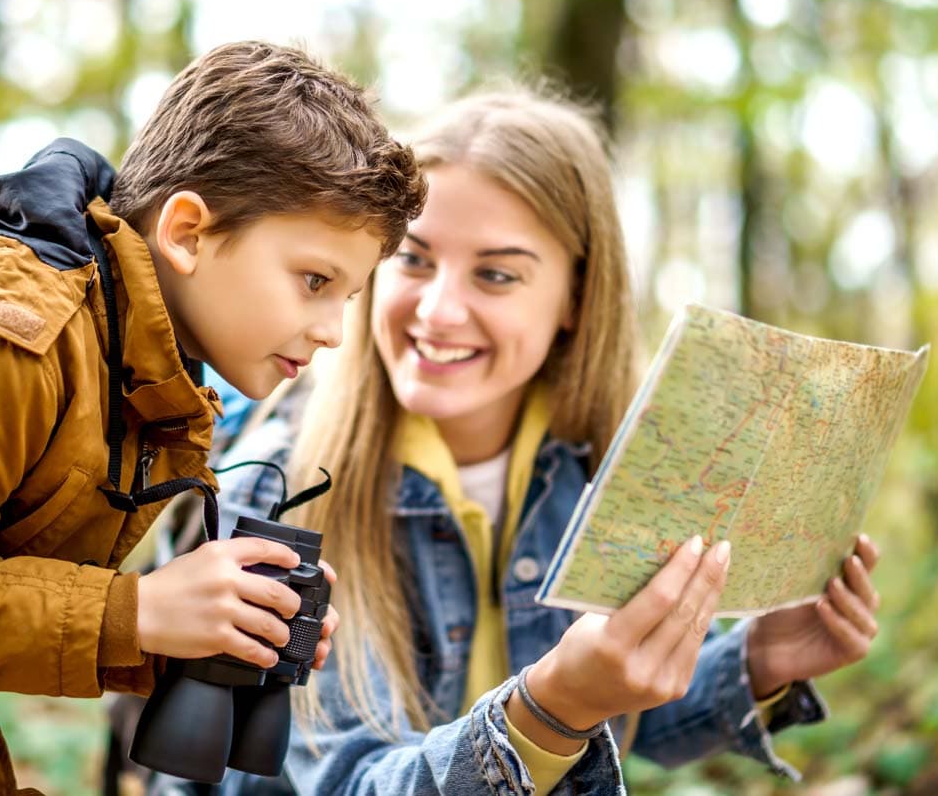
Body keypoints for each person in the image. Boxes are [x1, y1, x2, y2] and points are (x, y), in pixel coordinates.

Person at [197, 85, 882, 795]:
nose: (439, 310)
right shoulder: (281, 490)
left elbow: (627, 716)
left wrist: (759, 662)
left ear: (576, 299)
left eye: (495, 274)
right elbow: (347, 783)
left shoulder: (614, 469)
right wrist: (554, 709)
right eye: (414, 259)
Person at [0, 41, 425, 795]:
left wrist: (196, 633)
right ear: (187, 234)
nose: (334, 331)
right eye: (314, 280)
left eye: (349, 296)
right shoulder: (3, 338)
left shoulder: (133, 370)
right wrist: (140, 610)